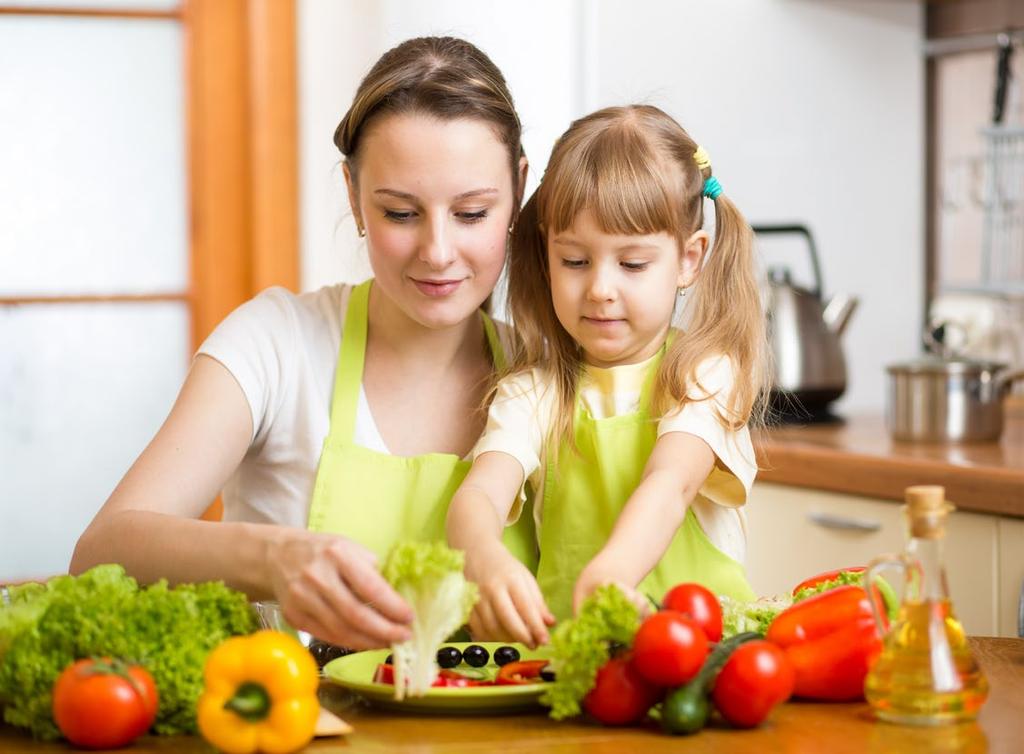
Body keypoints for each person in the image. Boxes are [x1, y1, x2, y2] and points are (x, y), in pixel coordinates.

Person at [71, 36, 537, 650]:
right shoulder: (277, 343)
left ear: (519, 190)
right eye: (401, 213)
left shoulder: (544, 373)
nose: (438, 251)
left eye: (472, 213)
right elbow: (102, 551)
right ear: (352, 194)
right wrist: (275, 558)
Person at [447, 105, 767, 648]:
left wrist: (613, 571)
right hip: (575, 667)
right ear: (546, 253)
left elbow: (671, 482)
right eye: (574, 261)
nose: (599, 288)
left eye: (633, 264)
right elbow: (478, 495)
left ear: (689, 260)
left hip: (705, 658)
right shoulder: (533, 393)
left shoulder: (704, 375)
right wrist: (484, 557)